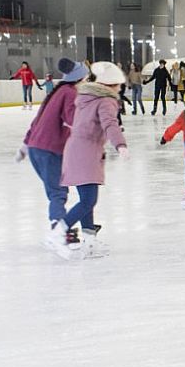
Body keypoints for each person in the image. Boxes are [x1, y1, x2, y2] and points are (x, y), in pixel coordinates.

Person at [60, 61, 129, 256]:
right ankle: (59, 231)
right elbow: (110, 124)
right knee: (88, 200)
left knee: (87, 199)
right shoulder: (106, 100)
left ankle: (89, 242)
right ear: (110, 85)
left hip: (78, 150)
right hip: (86, 153)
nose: (120, 87)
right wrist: (120, 144)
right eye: (118, 84)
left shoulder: (87, 97)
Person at [20, 59, 87, 258]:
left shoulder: (57, 91)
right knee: (58, 192)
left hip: (37, 148)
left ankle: (59, 229)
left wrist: (25, 143)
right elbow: (73, 120)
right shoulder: (70, 93)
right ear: (80, 78)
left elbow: (38, 118)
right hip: (49, 150)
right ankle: (58, 231)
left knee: (56, 190)